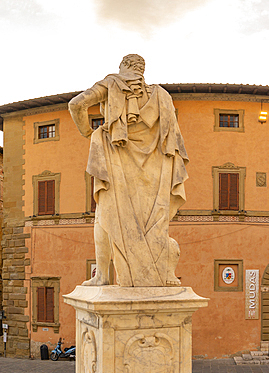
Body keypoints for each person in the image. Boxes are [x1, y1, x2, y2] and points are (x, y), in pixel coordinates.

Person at [69, 53, 189, 287]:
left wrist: (89, 133)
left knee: (104, 216)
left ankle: (103, 276)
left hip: (117, 157)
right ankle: (161, 274)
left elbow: (76, 104)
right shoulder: (162, 96)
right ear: (143, 70)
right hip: (155, 169)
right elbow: (173, 139)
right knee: (154, 222)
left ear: (123, 67)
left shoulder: (111, 83)